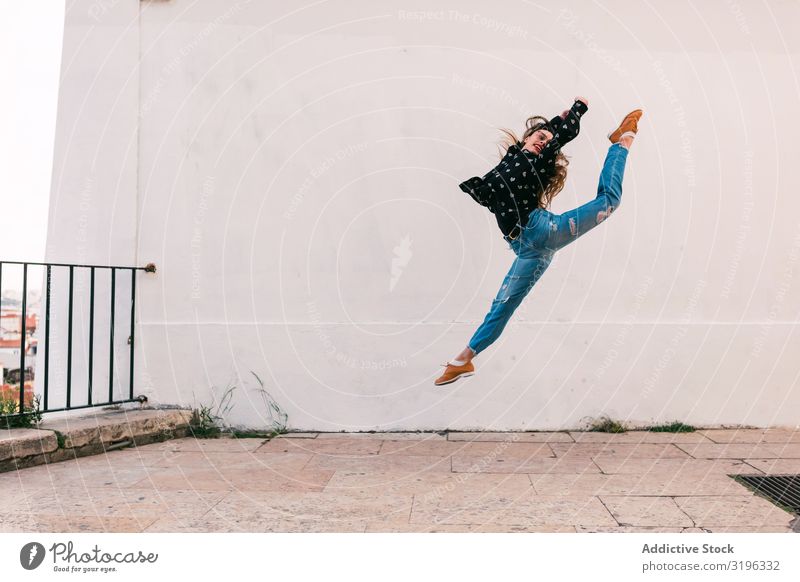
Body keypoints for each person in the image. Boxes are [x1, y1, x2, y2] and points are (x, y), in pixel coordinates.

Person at [434, 99, 642, 386]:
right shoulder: (509, 160)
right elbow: (548, 133)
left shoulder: (537, 162)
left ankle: (622, 142)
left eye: (547, 141)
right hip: (526, 250)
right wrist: (557, 119)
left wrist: (577, 108)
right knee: (503, 305)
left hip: (545, 231)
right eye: (538, 137)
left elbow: (563, 133)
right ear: (524, 140)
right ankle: (463, 359)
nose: (543, 143)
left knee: (608, 202)